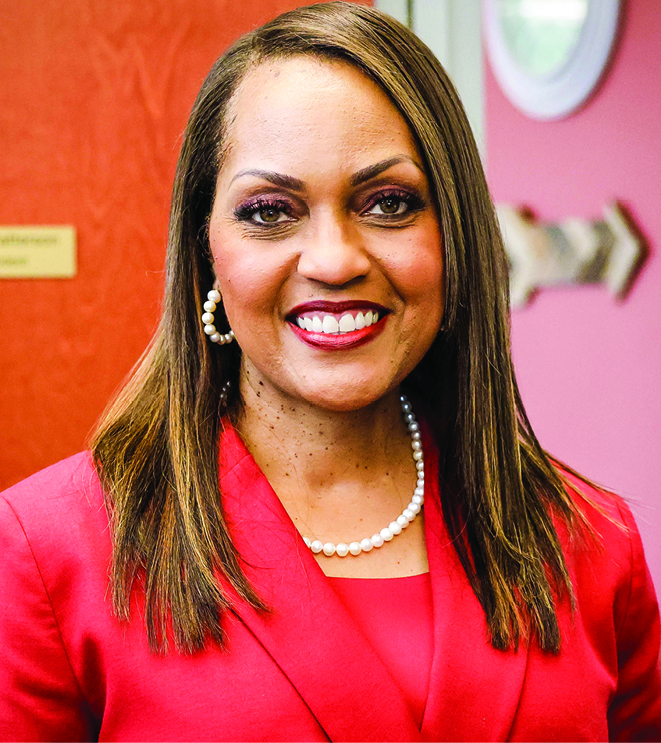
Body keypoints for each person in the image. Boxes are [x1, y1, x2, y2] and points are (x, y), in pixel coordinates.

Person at [1, 3, 659, 741]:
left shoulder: (592, 543)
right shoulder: (51, 552)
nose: (334, 260)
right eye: (269, 211)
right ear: (205, 249)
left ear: (455, 235)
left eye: (388, 203)